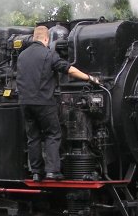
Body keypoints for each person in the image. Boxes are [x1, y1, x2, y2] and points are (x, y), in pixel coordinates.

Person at [17, 26, 100, 182]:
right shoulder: (48, 54)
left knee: (33, 137)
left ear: (34, 37)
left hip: (25, 103)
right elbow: (68, 70)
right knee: (53, 133)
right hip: (43, 102)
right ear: (46, 39)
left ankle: (36, 172)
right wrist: (89, 77)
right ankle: (52, 171)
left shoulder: (22, 55)